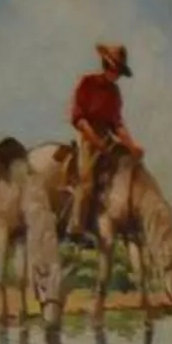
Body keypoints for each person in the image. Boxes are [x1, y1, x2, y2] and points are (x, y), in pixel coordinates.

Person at [67, 42, 141, 241]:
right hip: (87, 135)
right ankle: (76, 228)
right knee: (87, 181)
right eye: (116, 70)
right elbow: (79, 118)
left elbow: (117, 123)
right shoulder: (87, 83)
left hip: (107, 138)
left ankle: (127, 226)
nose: (117, 75)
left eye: (119, 72)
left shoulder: (115, 93)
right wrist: (95, 140)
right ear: (107, 66)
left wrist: (132, 145)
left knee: (125, 171)